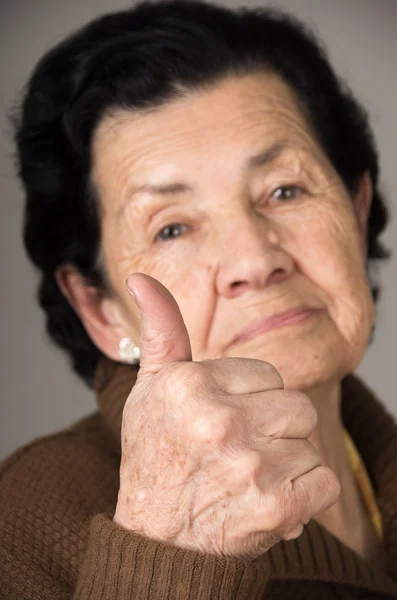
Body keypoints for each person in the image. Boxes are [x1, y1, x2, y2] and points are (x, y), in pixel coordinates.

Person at [1, 0, 396, 597]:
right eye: (173, 228)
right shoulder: (23, 524)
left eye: (285, 190)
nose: (256, 260)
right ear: (98, 308)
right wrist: (169, 556)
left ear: (358, 212)